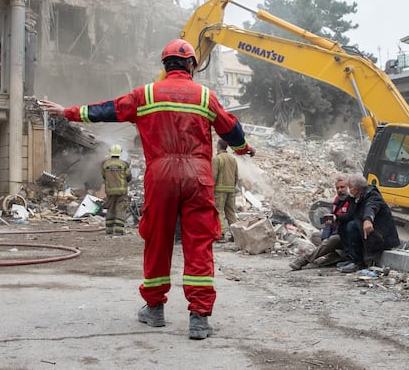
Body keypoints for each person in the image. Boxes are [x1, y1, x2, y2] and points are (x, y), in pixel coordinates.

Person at [38, 38, 255, 340]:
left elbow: (108, 110)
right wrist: (244, 148)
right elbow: (230, 128)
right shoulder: (206, 96)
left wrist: (69, 112)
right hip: (198, 176)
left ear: (165, 65)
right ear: (192, 64)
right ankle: (199, 318)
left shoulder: (147, 94)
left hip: (161, 175)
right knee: (198, 243)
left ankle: (154, 309)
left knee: (157, 239)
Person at [289, 175, 354, 270]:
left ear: (348, 187)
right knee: (315, 236)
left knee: (332, 240)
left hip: (344, 237)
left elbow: (349, 219)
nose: (340, 190)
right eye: (337, 188)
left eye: (342, 187)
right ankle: (336, 255)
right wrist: (325, 237)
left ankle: (304, 259)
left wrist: (329, 238)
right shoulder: (337, 200)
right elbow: (330, 220)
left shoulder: (353, 201)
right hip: (334, 233)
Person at [339, 173, 401, 273]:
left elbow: (371, 207)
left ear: (355, 188)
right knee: (343, 225)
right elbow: (351, 215)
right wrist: (336, 217)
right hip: (369, 233)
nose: (348, 190)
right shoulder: (355, 198)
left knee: (352, 226)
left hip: (381, 236)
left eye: (349, 187)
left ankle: (358, 263)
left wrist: (368, 220)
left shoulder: (372, 195)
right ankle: (351, 258)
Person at [102, 144, 132, 236]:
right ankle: (119, 230)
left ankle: (109, 229)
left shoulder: (105, 164)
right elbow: (128, 177)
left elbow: (104, 176)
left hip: (110, 191)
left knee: (110, 209)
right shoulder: (124, 164)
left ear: (110, 152)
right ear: (120, 153)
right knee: (120, 209)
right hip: (121, 191)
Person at [212, 139, 239, 243]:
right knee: (231, 212)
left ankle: (221, 234)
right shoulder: (233, 159)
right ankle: (236, 234)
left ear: (219, 146)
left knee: (218, 211)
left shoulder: (217, 159)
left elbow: (213, 176)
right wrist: (233, 187)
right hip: (231, 189)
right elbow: (236, 176)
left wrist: (211, 189)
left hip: (219, 190)